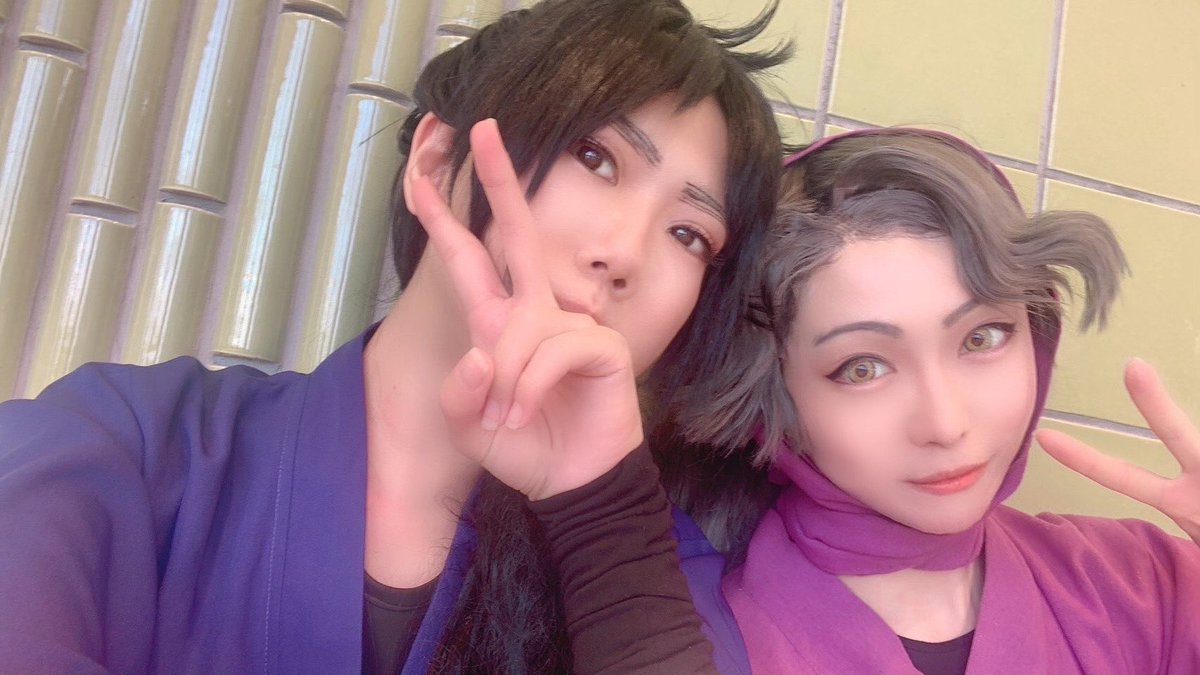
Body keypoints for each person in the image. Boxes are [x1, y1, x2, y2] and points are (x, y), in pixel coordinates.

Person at [0, 1, 790, 673]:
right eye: (595, 156)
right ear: (437, 160)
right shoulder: (127, 444)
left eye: (690, 234)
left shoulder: (659, 579)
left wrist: (601, 515)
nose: (625, 254)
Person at [671, 128, 1200, 674]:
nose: (945, 425)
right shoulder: (684, 638)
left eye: (982, 338)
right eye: (862, 368)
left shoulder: (1149, 588)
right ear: (769, 395)